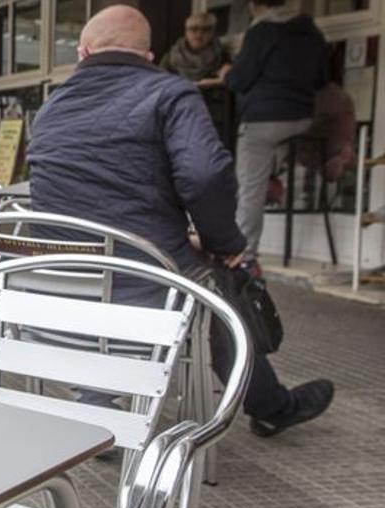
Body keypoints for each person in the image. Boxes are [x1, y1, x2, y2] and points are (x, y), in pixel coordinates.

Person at [27, 5, 333, 437]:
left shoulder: (49, 109)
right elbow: (206, 175)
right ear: (149, 56)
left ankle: (98, 400)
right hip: (143, 288)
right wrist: (224, 243)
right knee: (220, 287)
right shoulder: (169, 93)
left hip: (52, 298)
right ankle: (271, 405)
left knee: (177, 263)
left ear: (82, 51)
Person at [225, 0, 328, 264]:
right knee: (279, 154)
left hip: (264, 119)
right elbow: (321, 78)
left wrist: (227, 72)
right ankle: (279, 176)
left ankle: (245, 254)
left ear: (253, 6)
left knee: (250, 188)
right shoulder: (310, 29)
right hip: (303, 118)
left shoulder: (260, 31)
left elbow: (240, 80)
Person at [161, 12, 233, 145]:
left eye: (205, 30)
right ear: (186, 31)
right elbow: (161, 83)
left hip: (212, 116)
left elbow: (230, 81)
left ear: (212, 32)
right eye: (194, 29)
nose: (199, 35)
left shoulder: (221, 55)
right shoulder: (172, 56)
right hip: (181, 112)